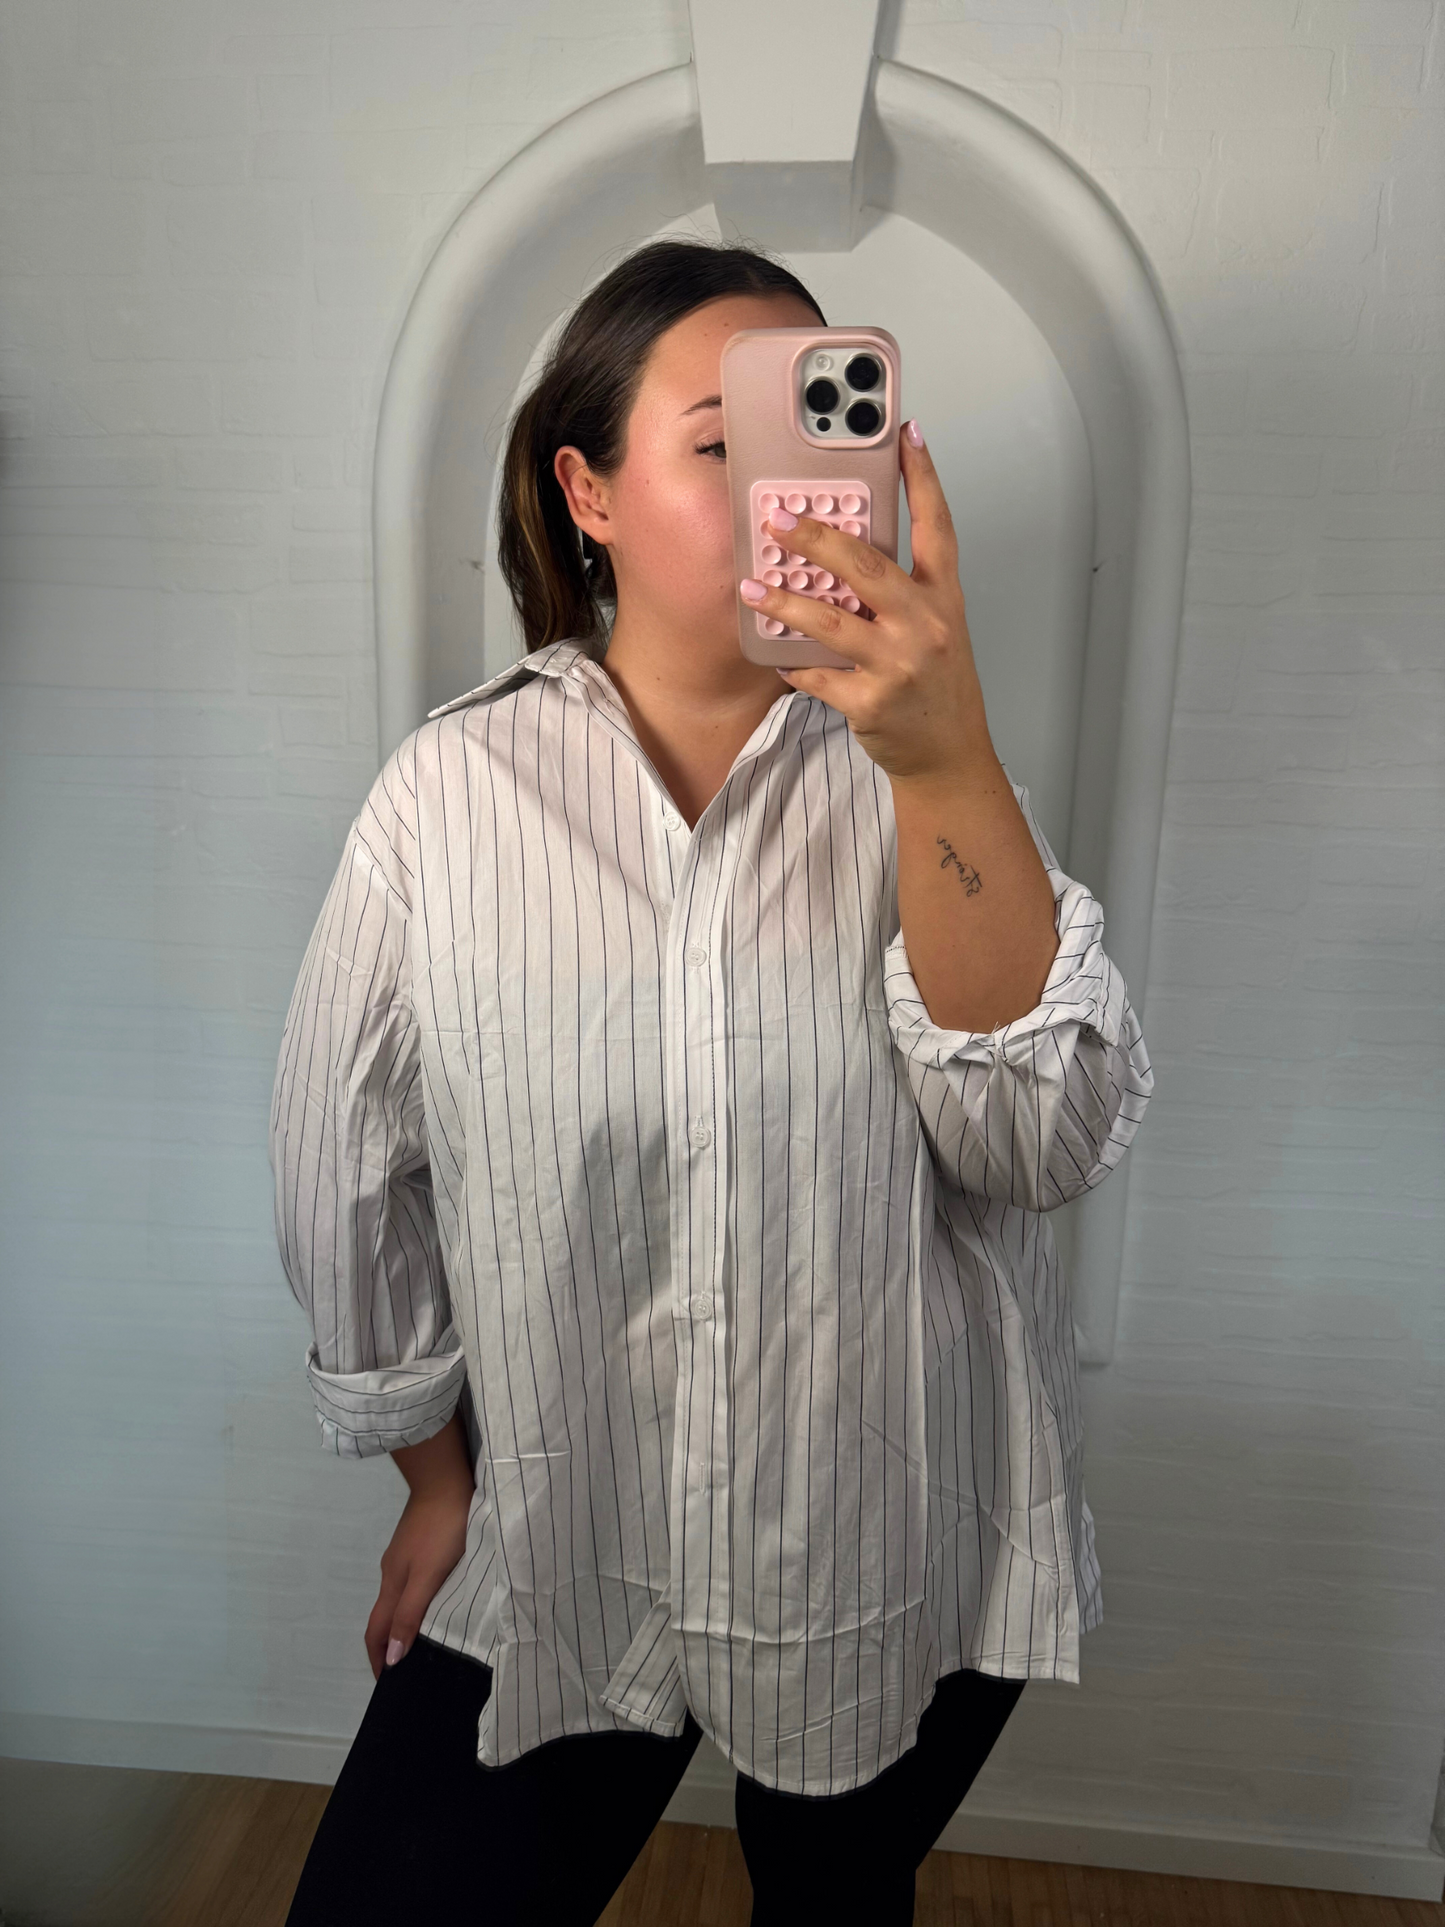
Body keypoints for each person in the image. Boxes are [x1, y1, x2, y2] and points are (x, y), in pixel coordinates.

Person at [268, 237, 1153, 1926]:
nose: (783, 487)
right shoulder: (447, 801)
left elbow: (1041, 1138)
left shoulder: (920, 782)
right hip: (569, 1535)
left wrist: (945, 751)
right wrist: (436, 1477)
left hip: (886, 1539)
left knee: (833, 1902)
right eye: (722, 436)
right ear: (587, 493)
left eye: (819, 430)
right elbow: (339, 1162)